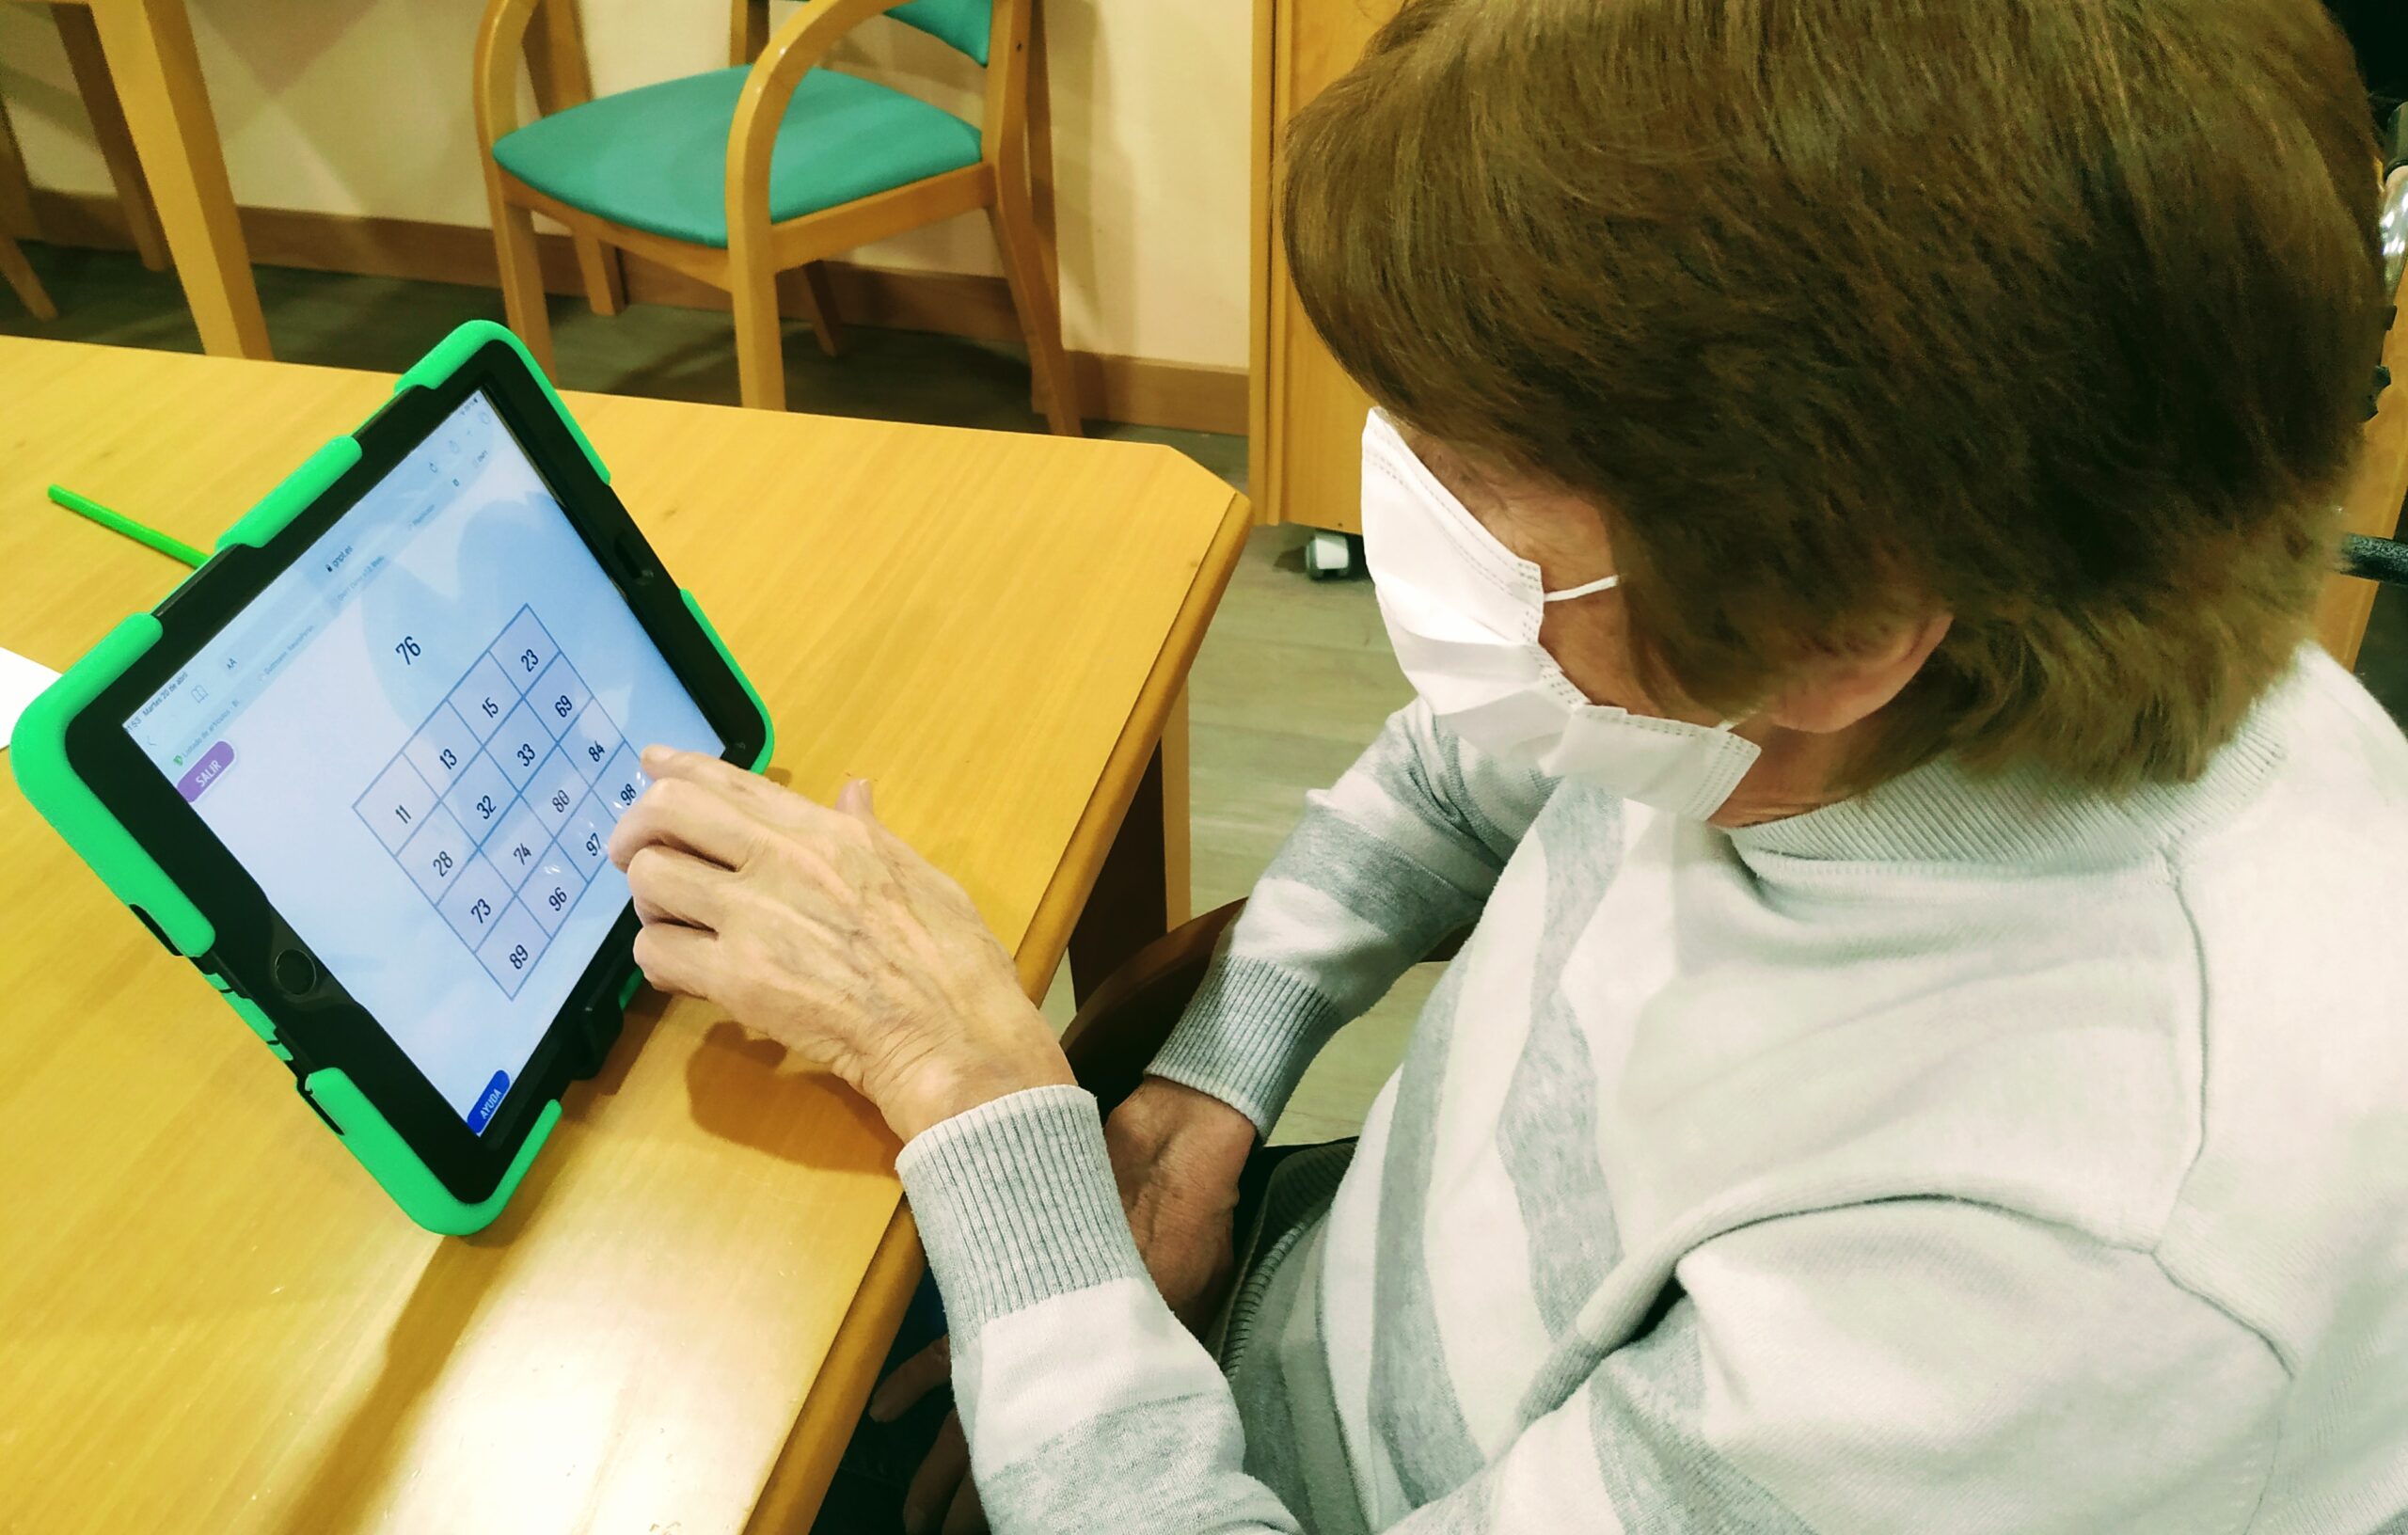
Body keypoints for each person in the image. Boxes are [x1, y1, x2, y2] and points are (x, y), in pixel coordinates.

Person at [607, 0, 2408, 1528]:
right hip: (1316, 1310)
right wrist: (1219, 1085)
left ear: (1837, 627)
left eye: (1472, 481)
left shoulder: (2056, 1279)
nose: (1406, 496)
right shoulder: (1814, 684)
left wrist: (975, 1102)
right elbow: (1485, 764)